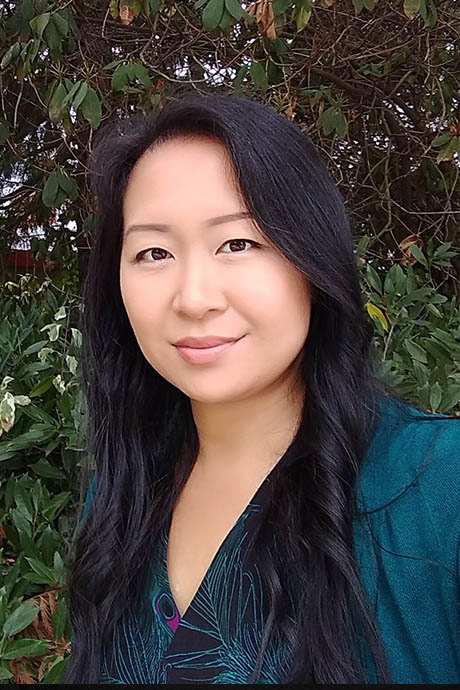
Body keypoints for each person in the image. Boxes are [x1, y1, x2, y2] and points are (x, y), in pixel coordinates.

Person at [61, 91, 460, 685]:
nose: (194, 298)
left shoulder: (439, 486)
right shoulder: (124, 494)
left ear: (312, 259)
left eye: (238, 244)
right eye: (153, 252)